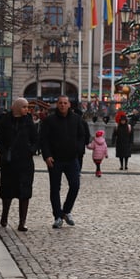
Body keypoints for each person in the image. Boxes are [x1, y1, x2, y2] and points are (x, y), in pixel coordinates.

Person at [39, 95, 85, 229]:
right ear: (57, 104)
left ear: (69, 104)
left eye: (65, 103)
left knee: (75, 185)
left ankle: (66, 211)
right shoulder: (49, 120)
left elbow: (82, 136)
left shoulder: (76, 119)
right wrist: (47, 155)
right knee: (55, 189)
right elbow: (44, 139)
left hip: (72, 159)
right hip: (55, 160)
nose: (63, 105)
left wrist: (79, 149)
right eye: (60, 103)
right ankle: (57, 216)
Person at [0, 98, 38, 231]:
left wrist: (31, 150)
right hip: (9, 163)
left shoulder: (29, 122)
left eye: (27, 107)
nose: (26, 109)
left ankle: (22, 222)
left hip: (25, 163)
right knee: (7, 191)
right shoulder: (5, 121)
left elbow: (36, 139)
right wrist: (4, 153)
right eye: (24, 107)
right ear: (17, 107)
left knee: (24, 192)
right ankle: (4, 216)